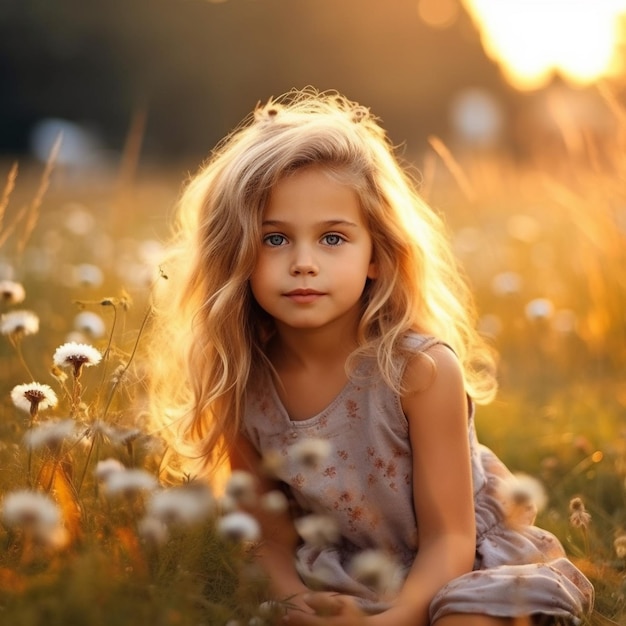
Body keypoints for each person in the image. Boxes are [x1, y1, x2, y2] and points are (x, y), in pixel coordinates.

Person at [149, 88, 594, 625]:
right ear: (234, 254)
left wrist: (395, 619)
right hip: (347, 571)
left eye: (333, 238)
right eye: (274, 240)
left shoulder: (420, 371)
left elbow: (451, 537)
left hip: (461, 564)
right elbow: (267, 535)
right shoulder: (241, 380)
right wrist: (294, 602)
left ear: (377, 257)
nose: (304, 263)